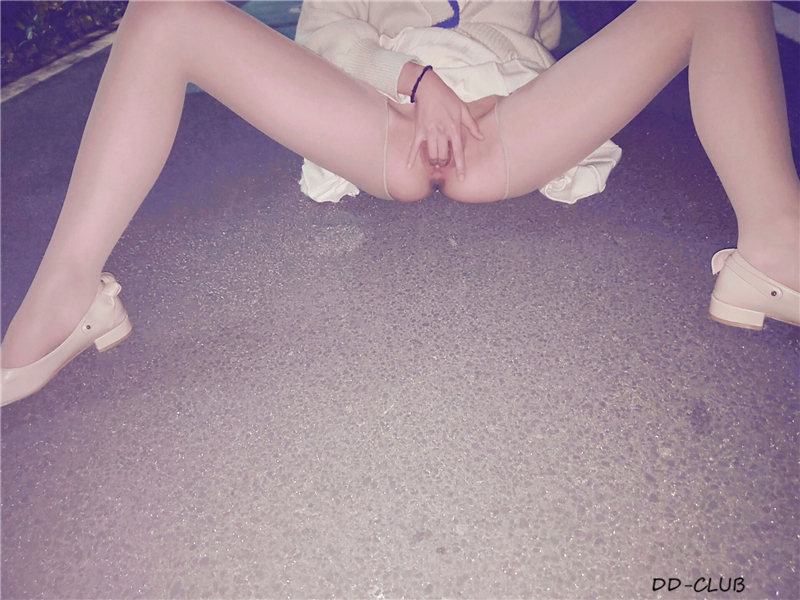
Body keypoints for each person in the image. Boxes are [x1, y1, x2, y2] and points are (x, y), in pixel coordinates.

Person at [1, 0, 798, 406]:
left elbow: (544, 34)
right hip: (386, 118)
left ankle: (775, 247)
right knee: (165, 11)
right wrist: (417, 82)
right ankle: (67, 292)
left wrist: (502, 90)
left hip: (502, 123)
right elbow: (323, 39)